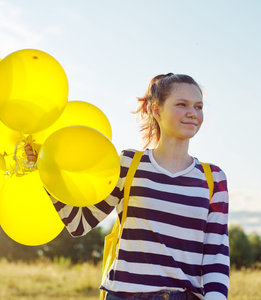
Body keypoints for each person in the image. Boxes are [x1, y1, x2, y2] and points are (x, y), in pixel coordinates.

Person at [26, 73, 229, 300]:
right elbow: (79, 223)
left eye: (198, 106)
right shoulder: (128, 164)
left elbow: (216, 257)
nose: (193, 113)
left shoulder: (214, 179)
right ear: (156, 110)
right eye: (182, 104)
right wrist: (46, 169)